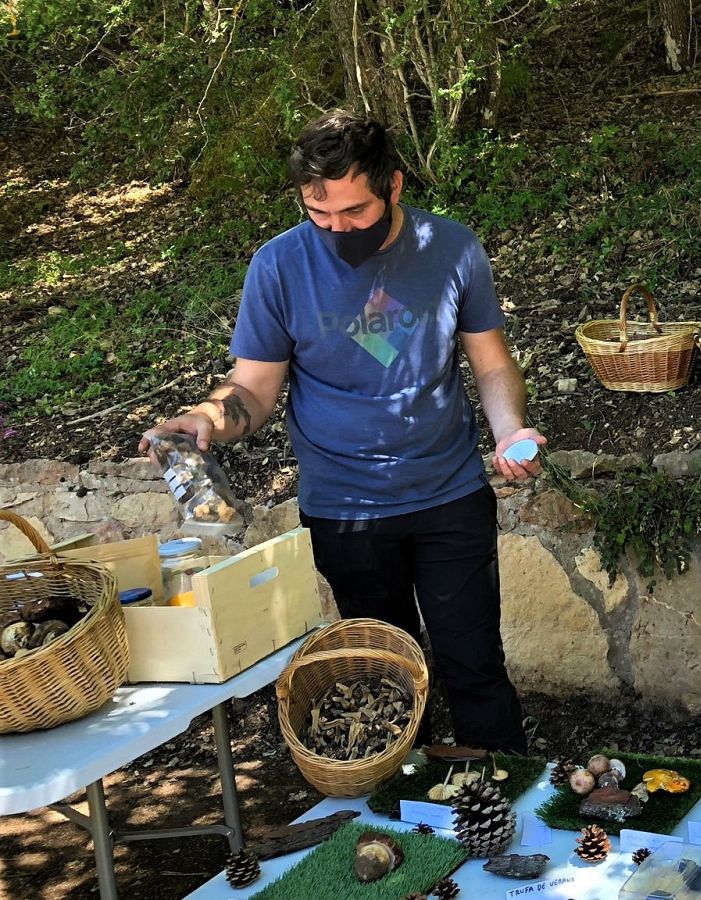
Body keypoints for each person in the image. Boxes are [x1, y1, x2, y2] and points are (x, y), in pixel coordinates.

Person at [140, 110, 538, 753]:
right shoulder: (279, 265)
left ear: (395, 187)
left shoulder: (452, 249)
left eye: (352, 212)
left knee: (475, 668)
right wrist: (208, 416)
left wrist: (510, 429)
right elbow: (253, 387)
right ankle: (404, 818)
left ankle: (503, 806)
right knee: (385, 679)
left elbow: (490, 363)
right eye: (318, 212)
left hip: (450, 494)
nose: (334, 228)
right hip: (345, 507)